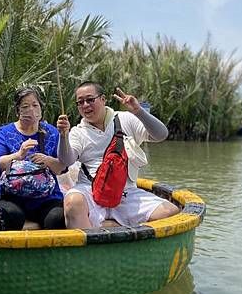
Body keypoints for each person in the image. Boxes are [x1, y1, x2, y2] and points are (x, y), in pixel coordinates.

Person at [57, 81, 180, 229]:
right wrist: (63, 136)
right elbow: (67, 160)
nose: (85, 105)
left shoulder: (126, 118)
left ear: (103, 99)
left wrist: (138, 111)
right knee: (72, 202)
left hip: (126, 191)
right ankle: (90, 248)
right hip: (90, 189)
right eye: (80, 102)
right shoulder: (78, 131)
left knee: (170, 212)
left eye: (90, 100)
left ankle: (109, 226)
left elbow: (161, 135)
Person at [0, 87, 67, 230]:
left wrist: (48, 160)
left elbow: (62, 168)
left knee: (57, 218)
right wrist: (18, 155)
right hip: (10, 195)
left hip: (45, 196)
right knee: (12, 215)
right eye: (25, 106)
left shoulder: (52, 132)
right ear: (18, 110)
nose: (31, 109)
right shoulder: (5, 132)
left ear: (41, 108)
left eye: (35, 105)